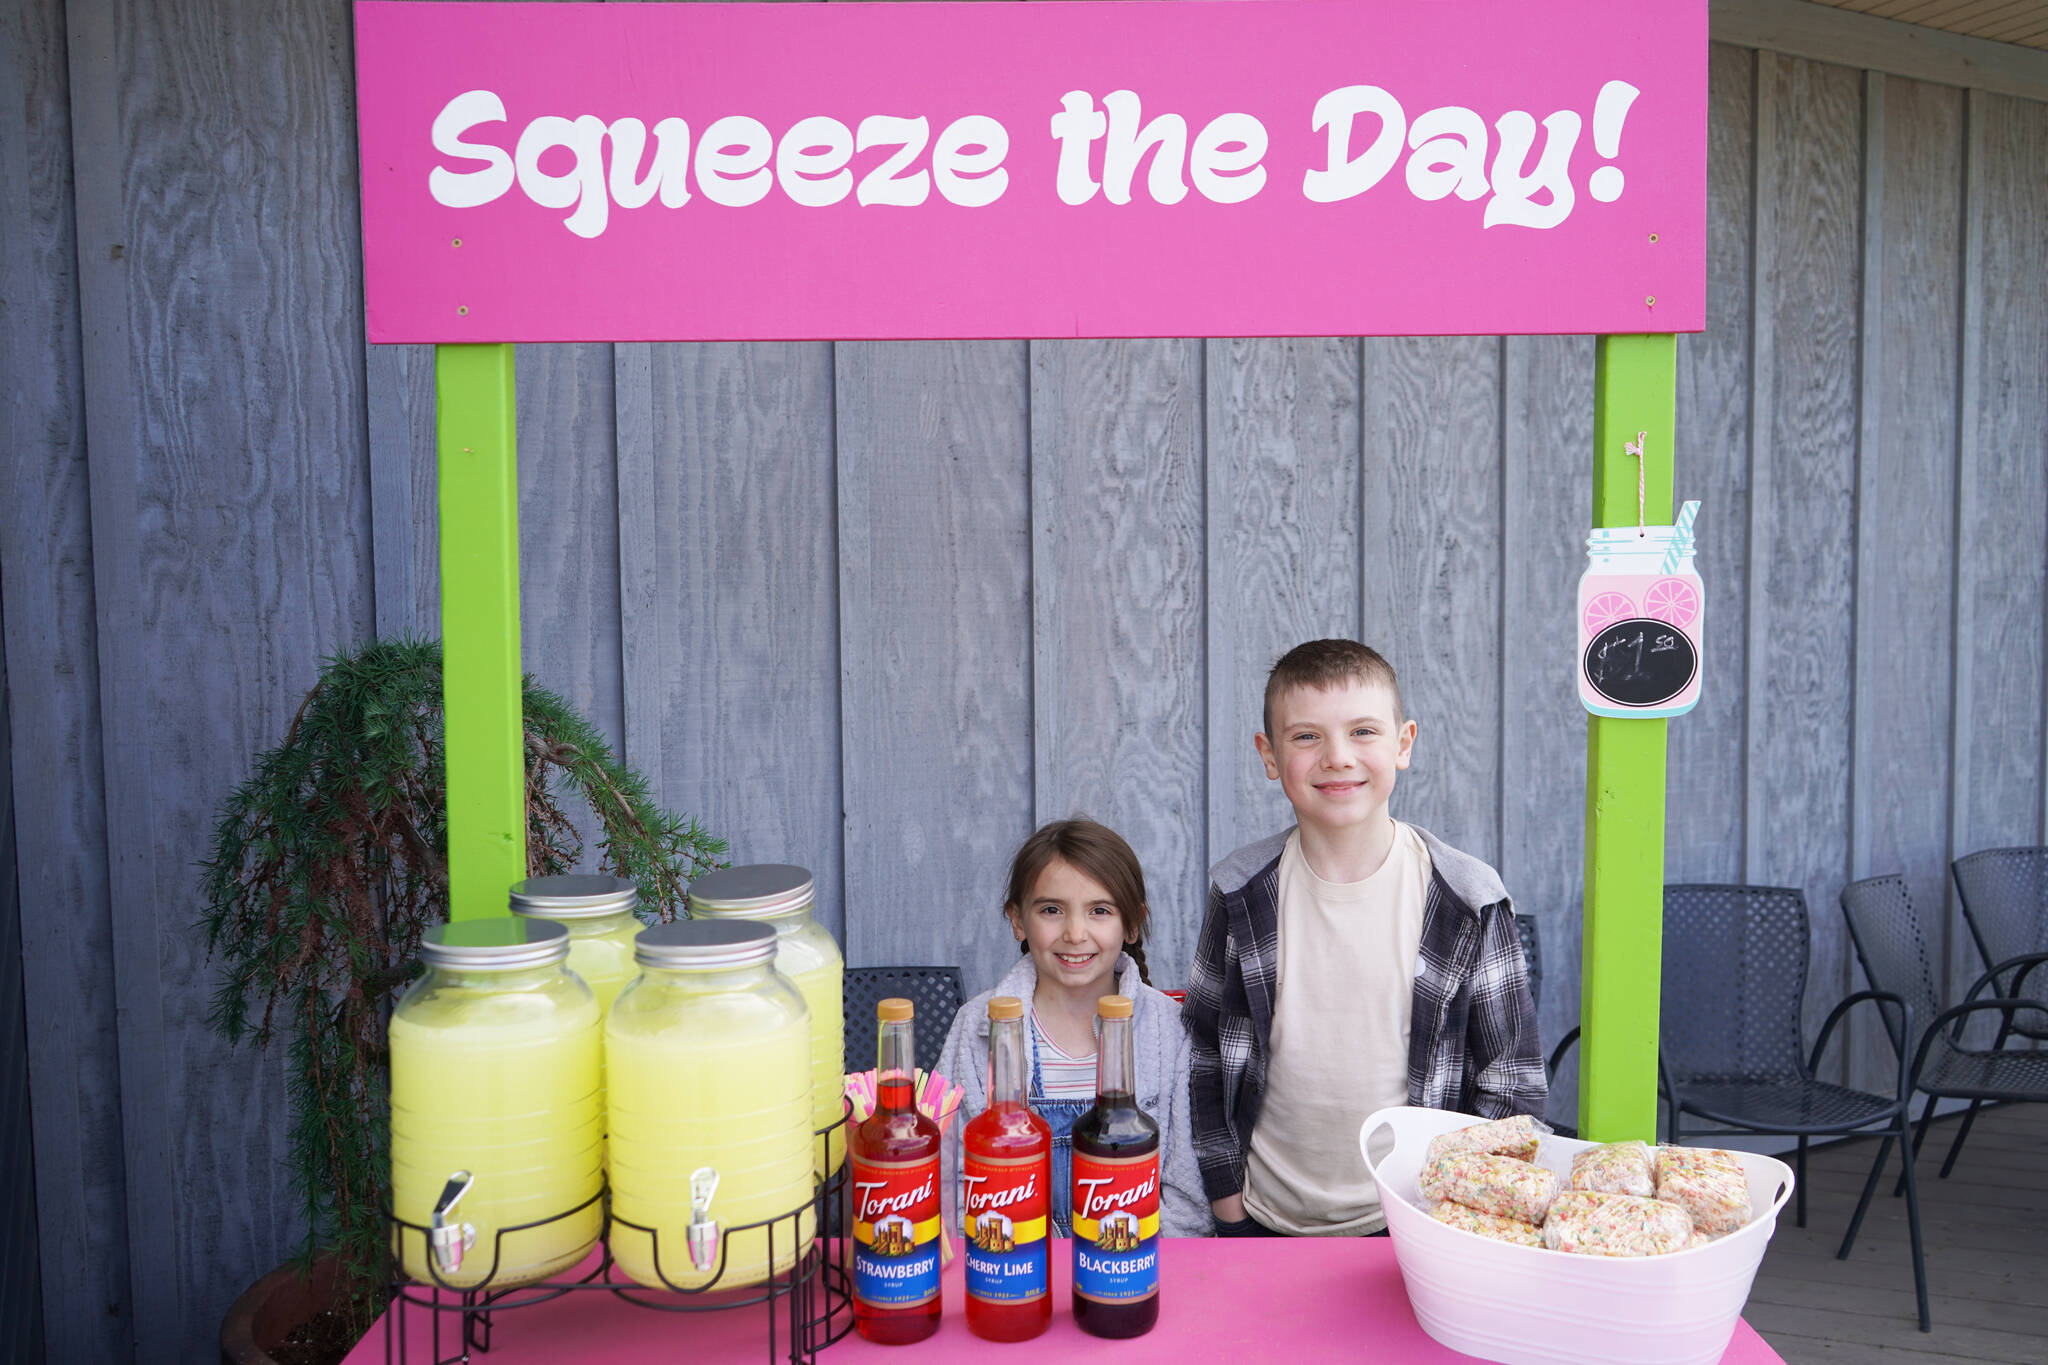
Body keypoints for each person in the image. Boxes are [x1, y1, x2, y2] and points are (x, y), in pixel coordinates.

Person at [1184, 639, 1545, 1237]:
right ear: (1269, 755)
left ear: (1403, 743)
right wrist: (1227, 1203)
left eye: (1363, 732)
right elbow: (1203, 1056)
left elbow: (1511, 1083)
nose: (1337, 757)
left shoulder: (1465, 897)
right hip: (1261, 1217)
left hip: (1413, 1218)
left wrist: (1455, 1220)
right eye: (1305, 737)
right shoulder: (1240, 891)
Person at [935, 818, 1209, 1238]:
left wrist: (1116, 1265)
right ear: (1018, 920)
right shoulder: (977, 1027)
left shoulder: (1168, 1030)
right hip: (1012, 1272)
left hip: (1129, 1273)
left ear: (1132, 924)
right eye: (1051, 910)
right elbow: (948, 1180)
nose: (1075, 933)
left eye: (1099, 911)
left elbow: (1187, 1198)